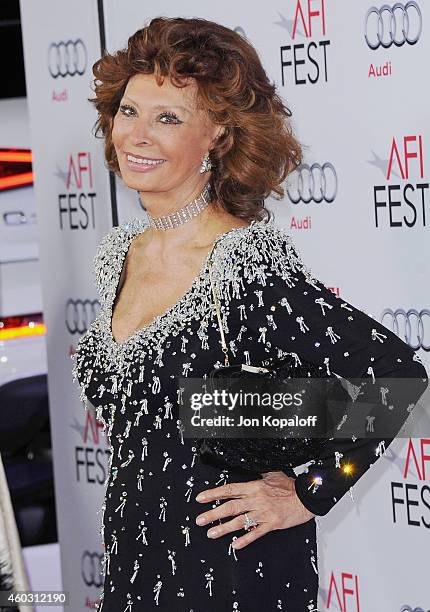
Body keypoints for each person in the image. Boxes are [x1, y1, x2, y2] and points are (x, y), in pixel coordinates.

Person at [71, 16, 428, 611]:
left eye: (168, 118)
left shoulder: (244, 267)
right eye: (129, 111)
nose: (135, 135)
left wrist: (308, 493)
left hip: (231, 575)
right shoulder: (122, 254)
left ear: (216, 134)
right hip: (135, 561)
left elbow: (396, 377)